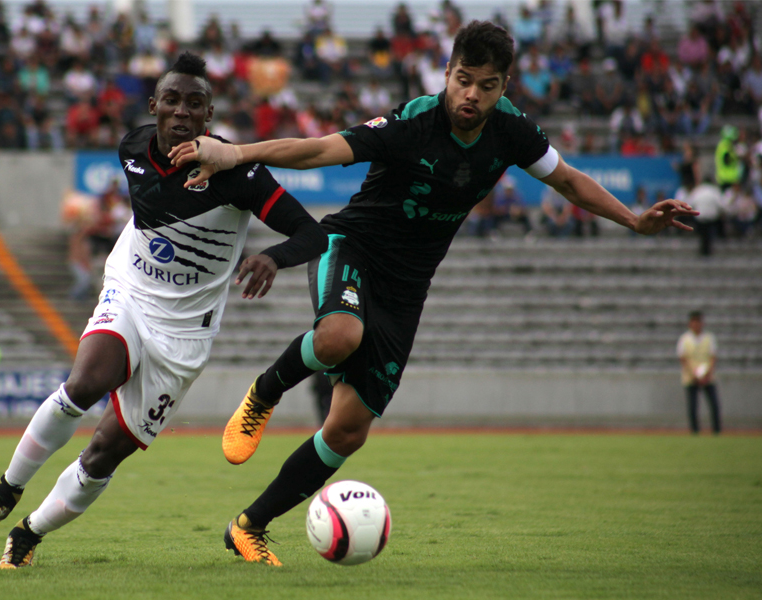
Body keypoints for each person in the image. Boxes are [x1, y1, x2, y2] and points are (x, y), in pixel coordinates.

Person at [170, 20, 698, 566]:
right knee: (339, 336)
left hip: (407, 288)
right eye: (463, 80)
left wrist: (635, 221)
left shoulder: (513, 132)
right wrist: (235, 155)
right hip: (351, 246)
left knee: (348, 431)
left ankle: (248, 526)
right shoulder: (410, 122)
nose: (471, 95)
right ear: (446, 73)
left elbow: (567, 180)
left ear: (504, 86)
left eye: (486, 85)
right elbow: (317, 150)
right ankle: (265, 393)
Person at [0, 53, 327, 569]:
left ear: (208, 116)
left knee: (105, 452)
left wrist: (270, 257)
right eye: (171, 100)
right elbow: (152, 204)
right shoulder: (133, 149)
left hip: (183, 336)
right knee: (84, 384)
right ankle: (3, 491)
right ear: (154, 106)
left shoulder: (242, 176)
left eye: (195, 104)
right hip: (131, 289)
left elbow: (314, 233)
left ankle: (28, 532)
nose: (181, 112)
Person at [677, 311, 720, 435]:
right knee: (693, 406)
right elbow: (683, 359)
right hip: (691, 377)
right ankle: (695, 431)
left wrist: (707, 374)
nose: (696, 325)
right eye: (694, 322)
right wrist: (693, 374)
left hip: (708, 377)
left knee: (714, 405)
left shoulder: (709, 338)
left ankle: (716, 430)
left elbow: (713, 357)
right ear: (690, 323)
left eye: (698, 322)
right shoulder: (684, 339)